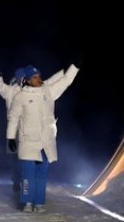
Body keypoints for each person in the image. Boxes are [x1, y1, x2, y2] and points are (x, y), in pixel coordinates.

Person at [6, 63, 80, 213]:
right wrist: (11, 138)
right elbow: (13, 118)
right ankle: (27, 203)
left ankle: (39, 203)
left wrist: (74, 67)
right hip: (28, 142)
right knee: (28, 174)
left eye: (39, 76)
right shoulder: (20, 97)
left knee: (41, 175)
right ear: (27, 80)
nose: (38, 79)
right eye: (35, 77)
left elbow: (65, 81)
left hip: (45, 142)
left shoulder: (48, 91)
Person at [0, 64, 69, 193]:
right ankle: (18, 182)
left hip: (29, 130)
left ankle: (29, 184)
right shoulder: (12, 91)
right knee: (16, 159)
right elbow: (0, 87)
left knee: (31, 159)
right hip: (16, 131)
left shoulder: (34, 89)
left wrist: (64, 72)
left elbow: (50, 83)